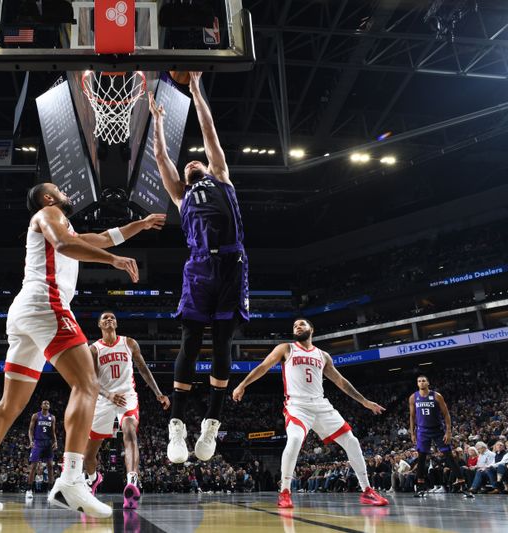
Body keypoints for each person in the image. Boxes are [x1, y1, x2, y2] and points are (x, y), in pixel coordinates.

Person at [0, 183, 165, 518]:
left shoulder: (66, 226)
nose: (64, 192)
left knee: (9, 405)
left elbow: (105, 236)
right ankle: (70, 479)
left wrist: (142, 224)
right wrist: (113, 261)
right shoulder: (48, 214)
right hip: (45, 302)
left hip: (26, 312)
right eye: (58, 189)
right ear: (48, 199)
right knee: (88, 384)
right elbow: (66, 245)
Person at [148, 72, 249, 464]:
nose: (192, 160)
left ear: (208, 167)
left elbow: (209, 132)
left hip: (232, 264)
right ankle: (176, 425)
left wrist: (195, 90)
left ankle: (211, 423)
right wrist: (157, 123)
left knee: (221, 343)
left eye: (197, 160)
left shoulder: (221, 177)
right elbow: (159, 157)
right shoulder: (180, 194)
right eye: (187, 161)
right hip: (199, 268)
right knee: (190, 342)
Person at [231, 318, 389, 509]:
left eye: (301, 324)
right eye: (294, 326)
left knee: (352, 441)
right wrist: (242, 384)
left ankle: (367, 491)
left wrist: (364, 401)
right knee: (295, 439)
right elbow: (263, 367)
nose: (297, 327)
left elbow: (340, 381)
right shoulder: (286, 348)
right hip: (297, 405)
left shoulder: (323, 356)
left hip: (321, 405)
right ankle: (285, 492)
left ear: (311, 329)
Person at [83, 311, 170, 509]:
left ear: (116, 323)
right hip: (104, 399)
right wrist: (108, 395)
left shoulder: (129, 343)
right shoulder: (94, 349)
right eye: (104, 318)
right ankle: (92, 478)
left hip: (127, 396)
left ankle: (132, 481)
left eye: (112, 317)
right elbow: (91, 380)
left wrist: (158, 393)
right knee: (89, 455)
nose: (109, 319)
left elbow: (143, 368)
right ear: (99, 325)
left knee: (130, 433)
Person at [409, 374, 466, 497]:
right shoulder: (413, 397)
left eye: (424, 380)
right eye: (419, 381)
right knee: (422, 458)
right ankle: (420, 486)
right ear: (417, 383)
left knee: (448, 455)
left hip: (438, 430)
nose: (421, 383)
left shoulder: (436, 396)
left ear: (428, 383)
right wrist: (412, 432)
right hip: (422, 431)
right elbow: (412, 416)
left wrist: (448, 431)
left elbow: (446, 414)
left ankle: (462, 483)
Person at [25, 400, 57, 500]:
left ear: (49, 406)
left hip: (48, 443)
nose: (46, 404)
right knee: (33, 466)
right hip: (38, 442)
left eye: (48, 403)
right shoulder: (36, 416)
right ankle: (29, 490)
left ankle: (50, 490)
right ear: (41, 405)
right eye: (44, 403)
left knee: (50, 466)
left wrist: (55, 441)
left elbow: (53, 431)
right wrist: (31, 441)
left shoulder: (52, 417)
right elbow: (30, 430)